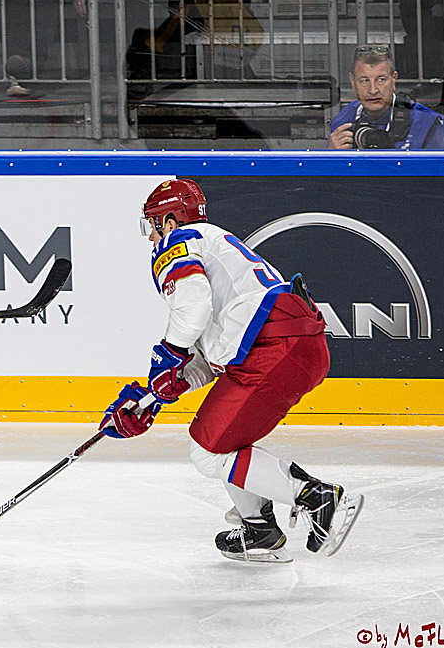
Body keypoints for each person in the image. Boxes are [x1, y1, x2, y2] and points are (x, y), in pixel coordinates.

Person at [98, 178, 364, 564]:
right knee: (221, 437)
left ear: (170, 222)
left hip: (276, 349)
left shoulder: (180, 243)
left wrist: (167, 355)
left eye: (153, 225)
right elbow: (214, 354)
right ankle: (259, 528)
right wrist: (153, 396)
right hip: (295, 346)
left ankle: (314, 496)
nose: (152, 236)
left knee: (208, 451)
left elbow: (192, 312)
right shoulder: (216, 249)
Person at [327, 45, 444, 150]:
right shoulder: (342, 121)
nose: (373, 90)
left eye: (381, 80)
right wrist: (330, 157)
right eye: (364, 80)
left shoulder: (427, 123)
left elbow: (441, 177)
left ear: (394, 79)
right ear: (352, 82)